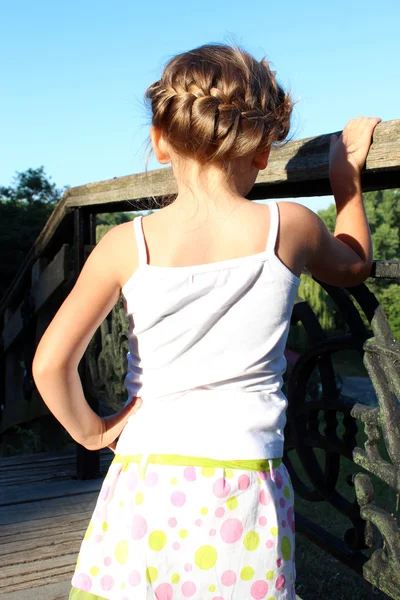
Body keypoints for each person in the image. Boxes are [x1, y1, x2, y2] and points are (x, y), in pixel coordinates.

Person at [32, 43, 380, 600]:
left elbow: (51, 364)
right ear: (264, 149)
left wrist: (93, 432)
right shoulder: (287, 226)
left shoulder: (127, 243)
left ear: (160, 142)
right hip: (242, 483)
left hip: (143, 478)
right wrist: (347, 184)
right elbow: (355, 266)